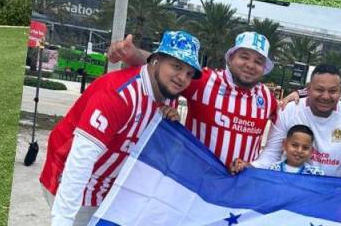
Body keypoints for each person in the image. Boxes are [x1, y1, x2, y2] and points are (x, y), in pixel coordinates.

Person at [39, 31, 202, 226]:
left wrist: (168, 128)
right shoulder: (120, 94)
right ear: (156, 60)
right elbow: (80, 160)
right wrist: (63, 220)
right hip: (73, 180)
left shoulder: (168, 98)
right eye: (176, 66)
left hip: (110, 188)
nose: (182, 78)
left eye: (189, 73)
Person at [109, 31, 279, 171]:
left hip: (238, 189)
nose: (250, 65)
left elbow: (286, 131)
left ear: (264, 68)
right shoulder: (205, 82)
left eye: (258, 61)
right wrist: (132, 53)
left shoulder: (267, 98)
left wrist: (297, 95)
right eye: (244, 57)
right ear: (230, 58)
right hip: (194, 184)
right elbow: (167, 67)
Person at [252, 65, 341, 202]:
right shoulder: (289, 111)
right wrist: (252, 167)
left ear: (340, 91)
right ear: (309, 88)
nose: (326, 96)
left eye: (333, 91)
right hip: (286, 193)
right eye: (319, 89)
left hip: (328, 200)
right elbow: (272, 153)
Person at [231, 124, 325, 176]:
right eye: (294, 145)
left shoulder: (316, 174)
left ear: (311, 151)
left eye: (305, 148)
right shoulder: (273, 169)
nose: (299, 150)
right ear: (284, 145)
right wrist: (243, 168)